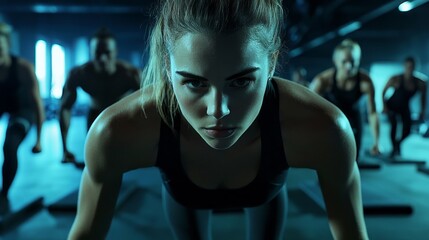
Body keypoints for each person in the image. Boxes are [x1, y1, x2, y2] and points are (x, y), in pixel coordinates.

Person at [68, 1, 368, 239]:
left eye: (240, 82)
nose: (218, 110)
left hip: (267, 193)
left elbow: (352, 234)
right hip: (184, 198)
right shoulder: (114, 132)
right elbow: (84, 234)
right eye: (195, 83)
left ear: (272, 62)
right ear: (168, 66)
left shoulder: (325, 129)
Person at [59, 27, 141, 165]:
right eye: (98, 53)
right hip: (94, 115)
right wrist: (65, 149)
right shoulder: (79, 74)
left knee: (116, 162)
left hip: (122, 116)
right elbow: (65, 107)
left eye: (107, 53)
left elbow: (150, 106)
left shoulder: (131, 74)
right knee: (95, 162)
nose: (103, 58)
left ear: (115, 52)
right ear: (91, 52)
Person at [310, 39, 381, 159]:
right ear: (336, 61)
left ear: (358, 61)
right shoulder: (322, 81)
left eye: (352, 61)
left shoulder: (366, 82)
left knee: (354, 158)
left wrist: (376, 142)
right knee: (327, 158)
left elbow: (373, 113)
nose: (349, 66)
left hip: (354, 117)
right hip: (330, 117)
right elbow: (309, 110)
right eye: (344, 62)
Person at [0, 22, 45, 212]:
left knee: (9, 146)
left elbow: (37, 104)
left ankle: (3, 194)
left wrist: (39, 140)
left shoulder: (23, 68)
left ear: (7, 46)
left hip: (22, 110)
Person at [382, 56, 427, 156]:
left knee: (408, 129)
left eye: (412, 67)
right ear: (404, 67)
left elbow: (423, 98)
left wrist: (422, 111)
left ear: (415, 68)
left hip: (404, 106)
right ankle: (394, 149)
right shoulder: (396, 79)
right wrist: (384, 106)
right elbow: (383, 92)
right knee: (394, 125)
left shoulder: (421, 83)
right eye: (408, 67)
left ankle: (397, 144)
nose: (410, 69)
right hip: (392, 105)